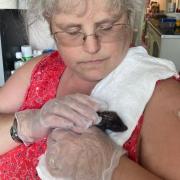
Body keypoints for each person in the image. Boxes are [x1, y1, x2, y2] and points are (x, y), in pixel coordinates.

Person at [0, 0, 179, 179]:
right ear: (50, 23)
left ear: (129, 18)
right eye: (72, 31)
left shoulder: (160, 93)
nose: (92, 47)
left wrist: (113, 169)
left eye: (107, 27)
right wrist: (25, 125)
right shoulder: (40, 69)